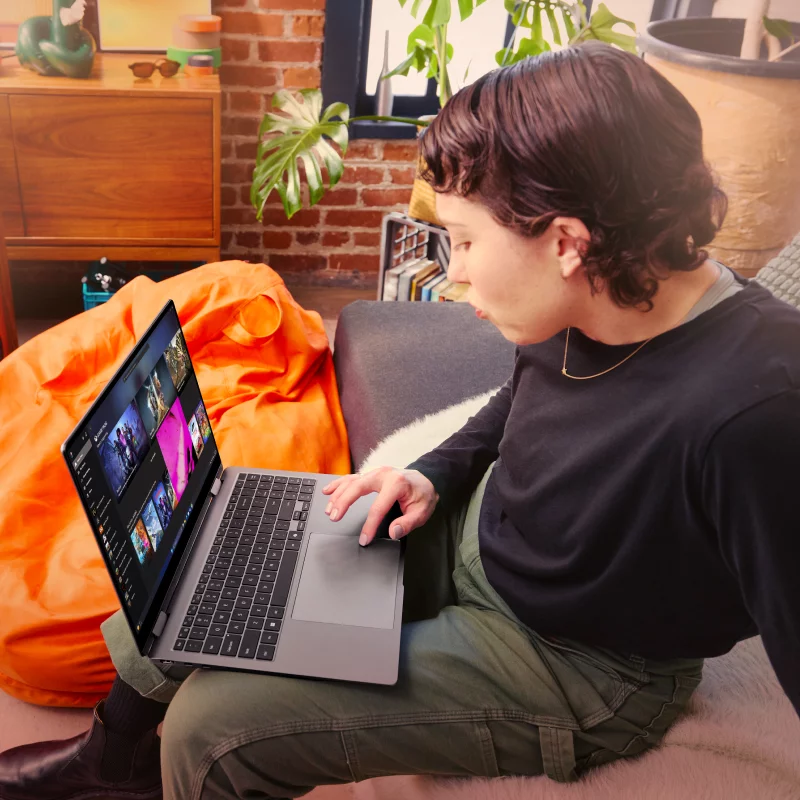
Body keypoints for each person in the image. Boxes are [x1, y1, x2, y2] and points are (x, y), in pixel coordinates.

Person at [1, 40, 798, 800]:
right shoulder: (611, 280)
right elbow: (520, 399)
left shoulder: (755, 415)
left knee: (212, 729)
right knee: (209, 556)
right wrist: (433, 471)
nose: (452, 277)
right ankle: (110, 756)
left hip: (576, 661)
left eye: (462, 242)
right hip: (482, 539)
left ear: (566, 242)